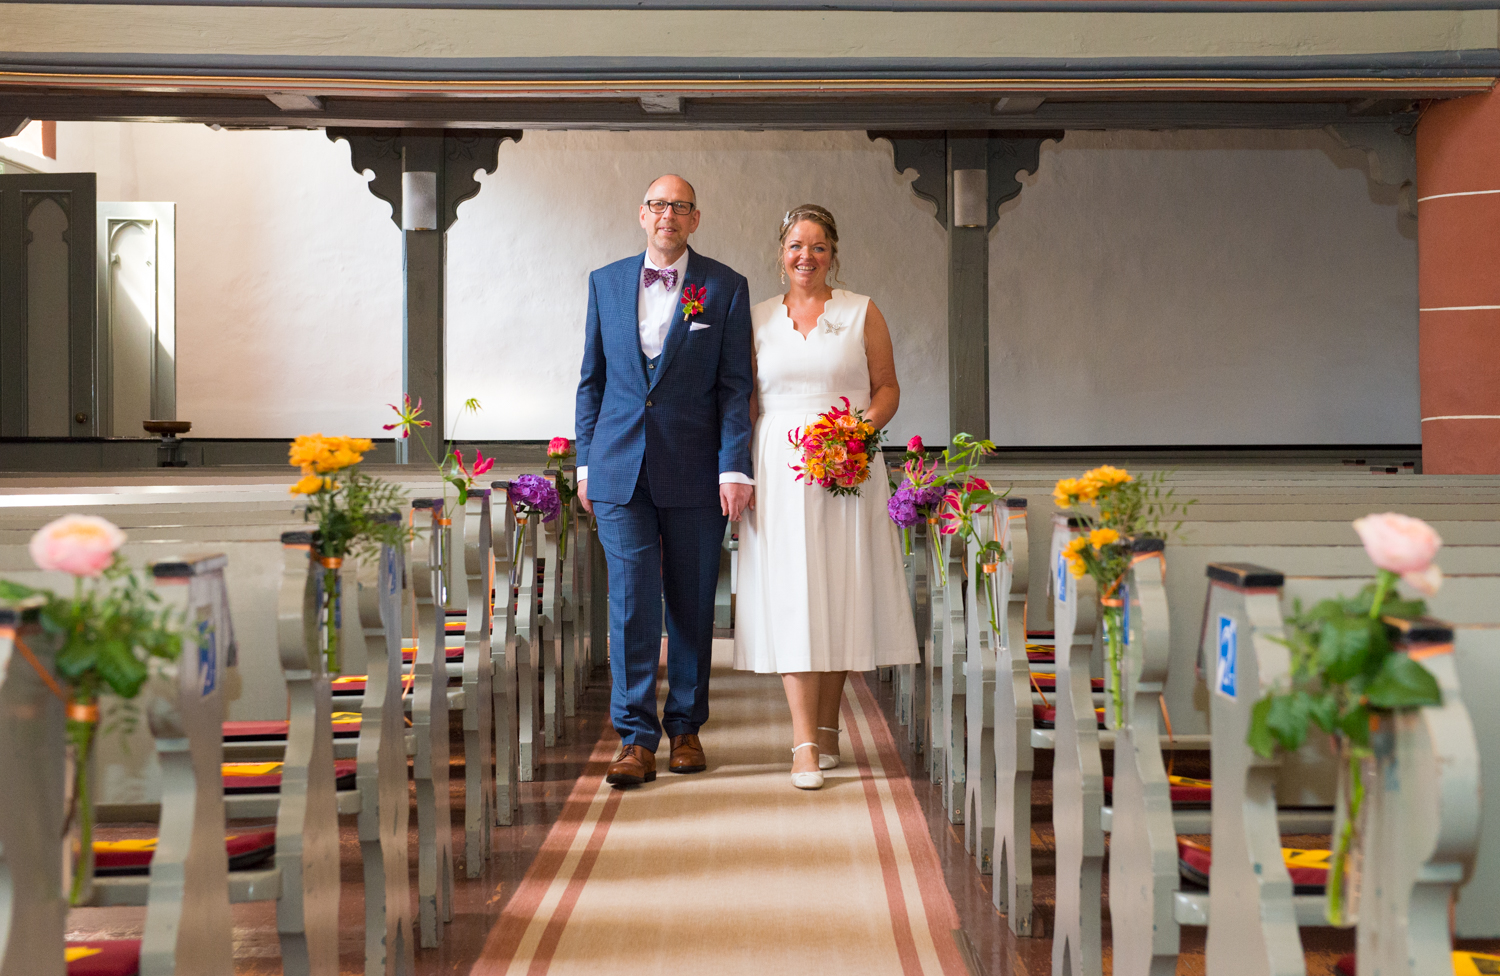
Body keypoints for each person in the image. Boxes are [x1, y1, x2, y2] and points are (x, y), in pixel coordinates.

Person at [575, 174, 755, 788]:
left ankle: (685, 728)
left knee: (691, 600)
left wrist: (735, 466)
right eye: (657, 205)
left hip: (696, 469)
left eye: (679, 206)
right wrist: (585, 463)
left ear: (694, 218)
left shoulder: (725, 287)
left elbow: (735, 388)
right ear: (641, 213)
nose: (667, 215)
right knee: (630, 604)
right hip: (618, 468)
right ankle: (634, 738)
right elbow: (592, 381)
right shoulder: (605, 282)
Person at [733, 204, 919, 789]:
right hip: (780, 468)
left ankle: (829, 728)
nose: (806, 256)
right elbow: (746, 401)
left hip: (848, 466)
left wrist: (855, 434)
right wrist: (741, 472)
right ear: (781, 252)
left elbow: (887, 388)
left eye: (817, 246)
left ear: (833, 252)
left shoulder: (862, 311)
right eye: (796, 245)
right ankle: (804, 745)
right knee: (794, 596)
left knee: (839, 593)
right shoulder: (758, 318)